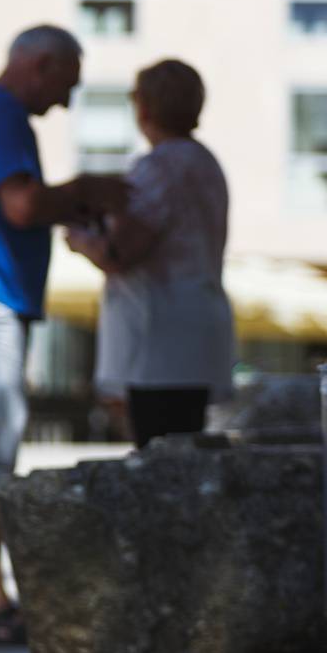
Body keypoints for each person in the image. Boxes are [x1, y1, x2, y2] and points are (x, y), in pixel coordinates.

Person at [0, 26, 129, 645]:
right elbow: (20, 205)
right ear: (39, 65)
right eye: (64, 84)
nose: (64, 102)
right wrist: (89, 191)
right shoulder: (8, 116)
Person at [67, 59, 233, 445]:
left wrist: (78, 237)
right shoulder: (206, 163)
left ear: (143, 109)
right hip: (197, 335)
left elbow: (119, 252)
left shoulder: (161, 166)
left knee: (160, 462)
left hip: (158, 344)